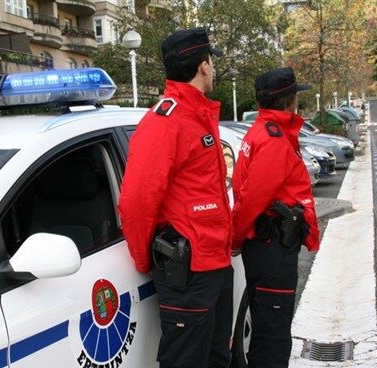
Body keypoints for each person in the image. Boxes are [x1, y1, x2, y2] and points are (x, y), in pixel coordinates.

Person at [118, 28, 234, 368]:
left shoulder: (196, 115)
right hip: (188, 272)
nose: (213, 68)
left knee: (216, 357)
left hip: (213, 264)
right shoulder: (166, 121)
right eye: (211, 61)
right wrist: (144, 261)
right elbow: (136, 202)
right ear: (203, 66)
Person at [231, 67, 320, 368]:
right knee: (274, 335)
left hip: (265, 246)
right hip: (272, 249)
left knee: (267, 328)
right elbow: (253, 198)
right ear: (289, 100)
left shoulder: (262, 131)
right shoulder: (273, 140)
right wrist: (236, 238)